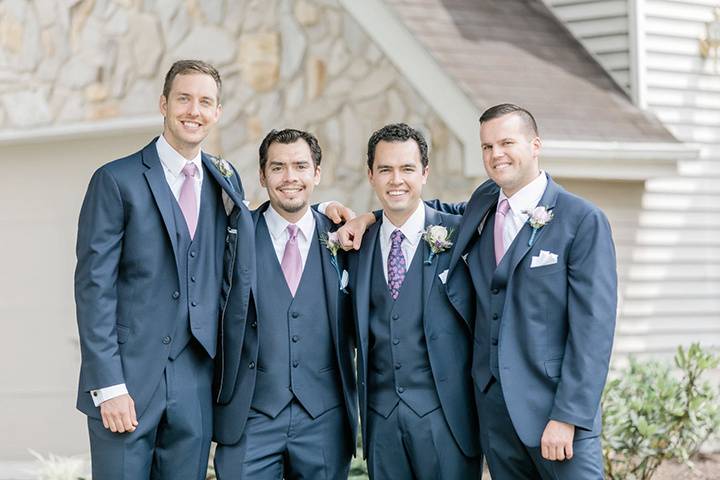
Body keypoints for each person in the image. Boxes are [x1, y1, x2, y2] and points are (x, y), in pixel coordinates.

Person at [339, 105, 617, 479]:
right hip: (495, 417)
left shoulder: (581, 220)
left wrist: (568, 416)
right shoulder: (483, 206)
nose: (495, 154)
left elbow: (594, 332)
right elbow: (419, 208)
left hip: (554, 416)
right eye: (487, 147)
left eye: (506, 142)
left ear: (535, 145)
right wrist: (368, 216)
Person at [74, 59, 247, 479]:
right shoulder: (116, 179)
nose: (194, 110)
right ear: (164, 103)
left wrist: (330, 214)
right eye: (184, 98)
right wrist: (109, 385)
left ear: (217, 112)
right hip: (128, 382)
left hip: (195, 381)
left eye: (205, 101)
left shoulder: (226, 179)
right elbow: (94, 288)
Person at [213, 129, 358, 479]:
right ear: (262, 176)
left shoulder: (347, 237)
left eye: (300, 166)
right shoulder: (234, 235)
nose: (290, 177)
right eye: (277, 167)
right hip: (250, 416)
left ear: (316, 174)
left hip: (324, 417)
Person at [347, 123, 481, 479]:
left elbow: (499, 200)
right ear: (370, 175)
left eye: (407, 169)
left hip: (447, 421)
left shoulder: (459, 234)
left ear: (424, 173)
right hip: (380, 422)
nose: (396, 180)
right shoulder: (354, 245)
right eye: (385, 169)